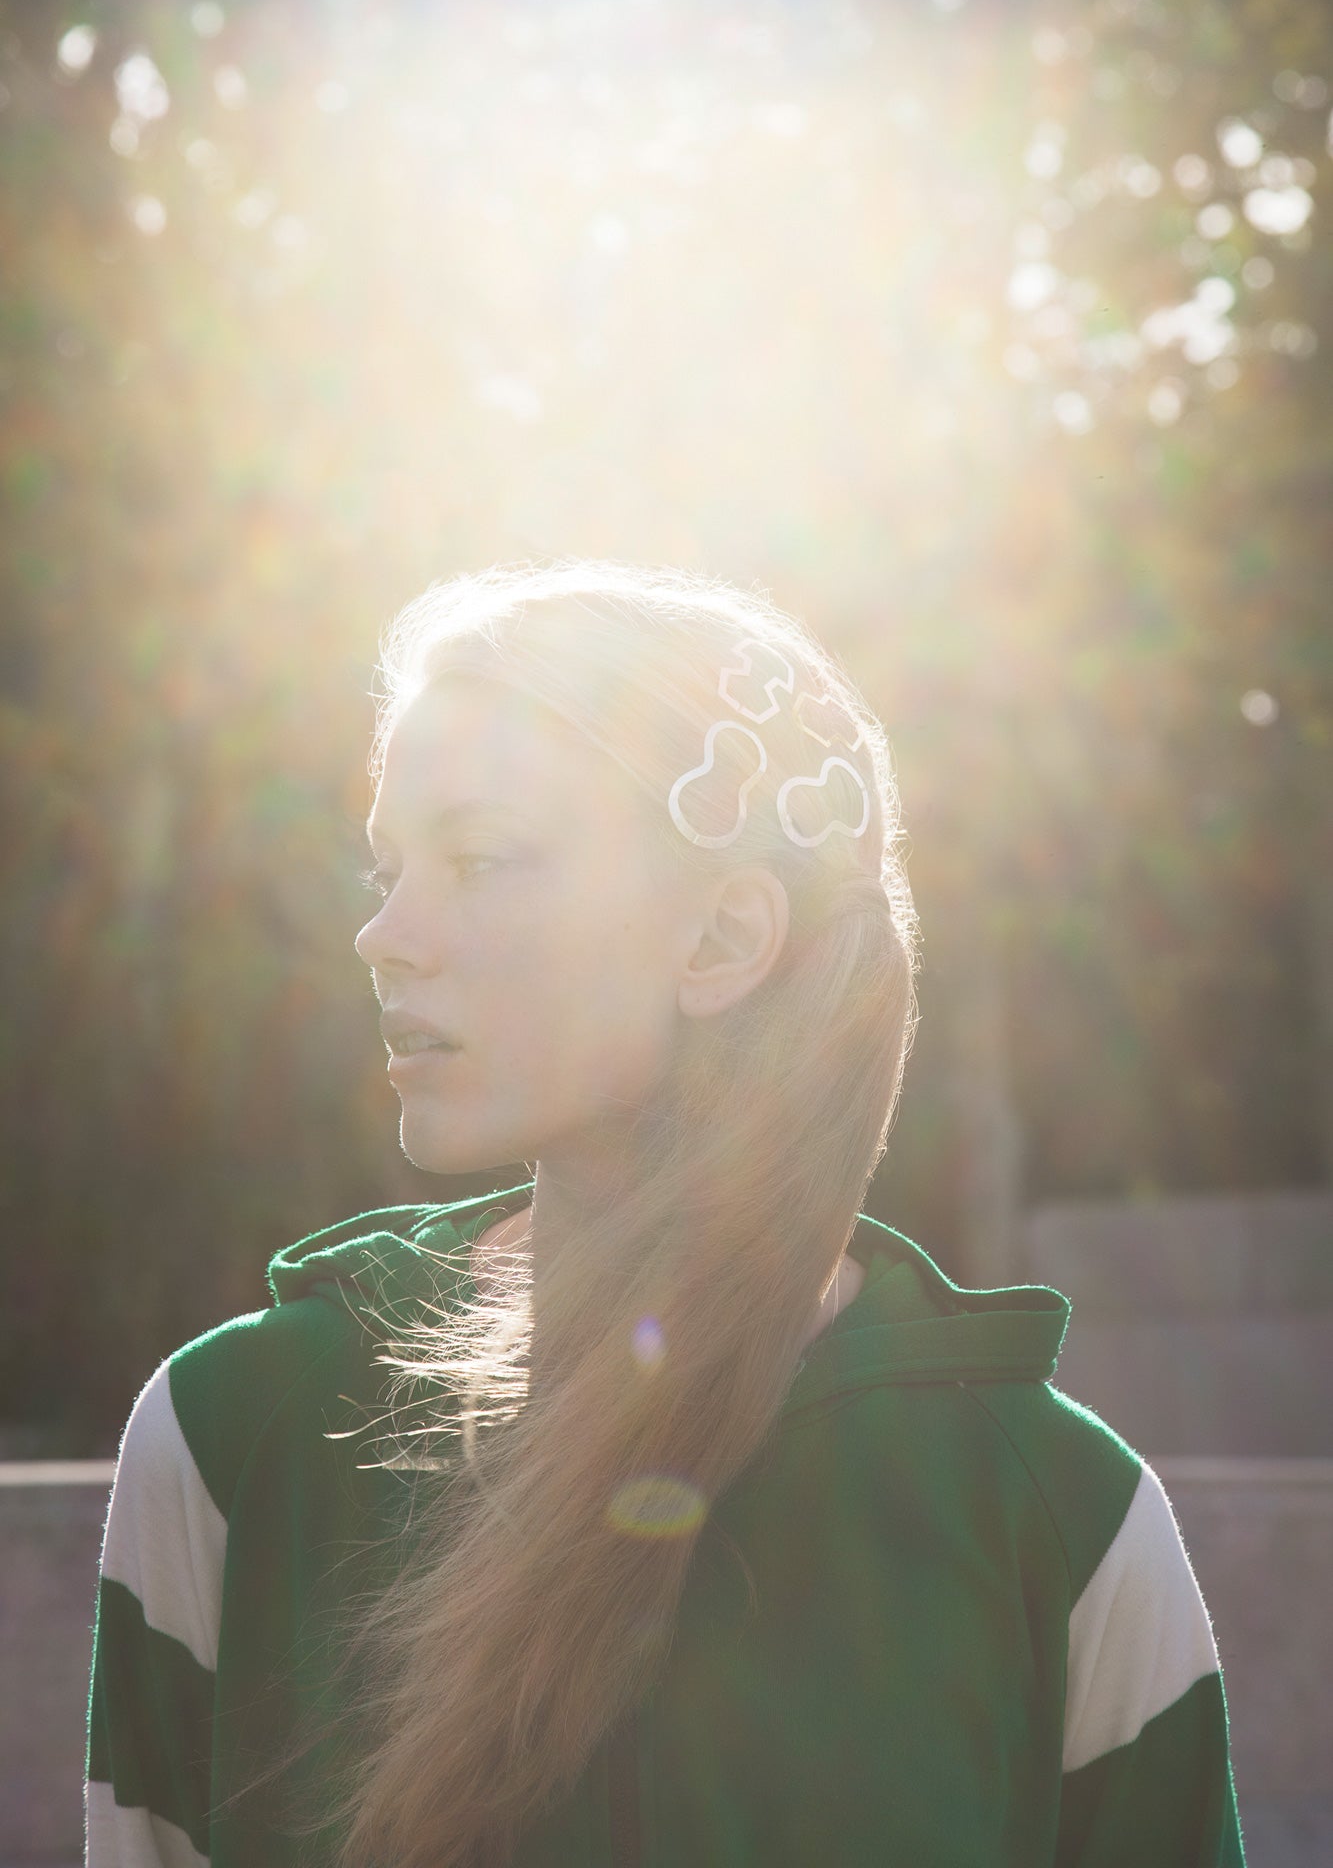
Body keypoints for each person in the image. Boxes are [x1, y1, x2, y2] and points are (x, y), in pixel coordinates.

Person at [86, 558, 1245, 1868]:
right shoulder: (237, 1432)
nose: (386, 936)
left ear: (718, 942)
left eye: (477, 859)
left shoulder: (1055, 1513)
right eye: (387, 871)